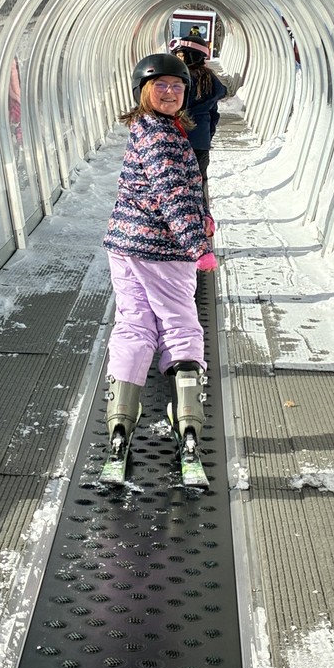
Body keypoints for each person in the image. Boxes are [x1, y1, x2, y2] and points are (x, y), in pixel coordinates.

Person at [102, 53, 217, 464]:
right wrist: (197, 246)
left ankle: (120, 418)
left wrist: (202, 215)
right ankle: (187, 420)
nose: (170, 92)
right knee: (180, 323)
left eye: (177, 86)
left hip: (125, 244)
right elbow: (171, 193)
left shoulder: (148, 128)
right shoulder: (162, 136)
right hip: (163, 250)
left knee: (133, 324)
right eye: (161, 85)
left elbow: (161, 189)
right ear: (143, 91)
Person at [169, 35, 228, 203]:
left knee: (175, 182)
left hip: (177, 140)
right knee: (200, 180)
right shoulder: (208, 79)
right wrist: (207, 135)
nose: (178, 59)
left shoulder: (179, 79)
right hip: (200, 143)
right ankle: (203, 216)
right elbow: (214, 115)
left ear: (190, 55)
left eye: (181, 55)